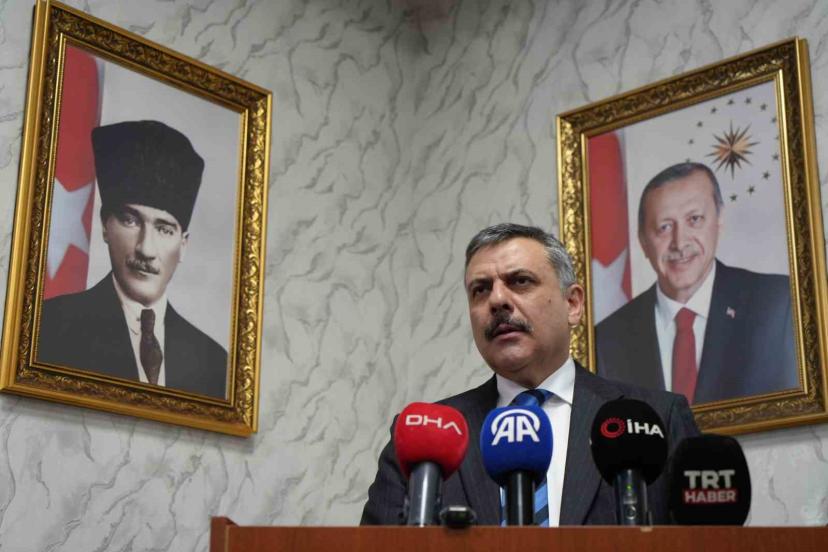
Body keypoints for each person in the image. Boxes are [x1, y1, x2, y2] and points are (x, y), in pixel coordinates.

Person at [361, 223, 698, 525]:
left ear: (573, 304)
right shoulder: (424, 439)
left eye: (520, 281)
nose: (497, 300)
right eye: (480, 289)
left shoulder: (660, 419)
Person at [38, 120, 228, 399]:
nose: (146, 249)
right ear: (105, 226)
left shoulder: (214, 362)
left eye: (164, 229)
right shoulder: (48, 328)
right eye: (130, 220)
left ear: (183, 245)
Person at [596, 162, 798, 404]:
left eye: (694, 219)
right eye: (664, 227)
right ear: (642, 240)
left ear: (719, 220)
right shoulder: (607, 340)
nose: (679, 243)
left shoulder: (779, 304)